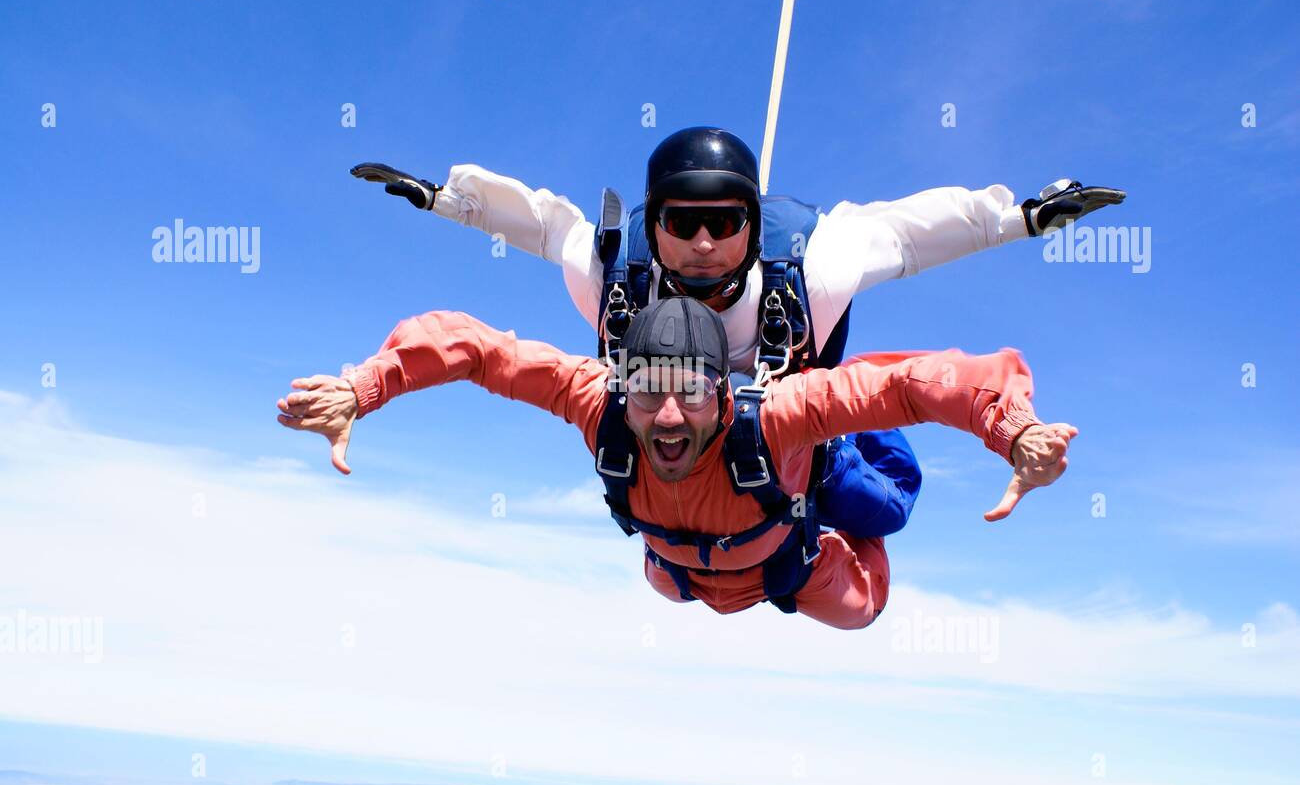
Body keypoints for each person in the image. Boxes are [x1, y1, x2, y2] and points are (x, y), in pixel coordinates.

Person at [351, 128, 1120, 543]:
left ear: (754, 229)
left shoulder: (812, 273)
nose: (704, 243)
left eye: (727, 223)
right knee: (665, 550)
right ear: (655, 225)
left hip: (793, 432)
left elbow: (910, 234)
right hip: (680, 448)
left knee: (879, 512)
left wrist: (1020, 218)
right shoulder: (614, 275)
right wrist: (446, 199)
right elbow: (546, 223)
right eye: (682, 224)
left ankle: (858, 447)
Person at [276, 297, 1075, 630]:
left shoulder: (778, 416)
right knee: (668, 583)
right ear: (621, 387)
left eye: (689, 394)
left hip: (790, 539)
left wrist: (1011, 429)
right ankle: (719, 547)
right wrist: (364, 388)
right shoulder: (600, 408)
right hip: (698, 570)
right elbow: (481, 352)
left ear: (723, 396)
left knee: (885, 525)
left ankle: (834, 457)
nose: (665, 417)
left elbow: (913, 384)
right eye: (646, 392)